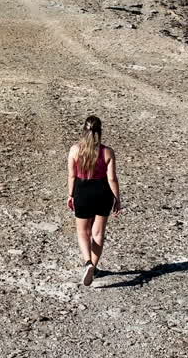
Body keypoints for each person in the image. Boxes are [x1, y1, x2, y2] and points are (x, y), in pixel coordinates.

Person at [66, 115, 122, 286]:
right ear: (100, 131)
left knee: (83, 232)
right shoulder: (107, 152)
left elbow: (72, 175)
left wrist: (70, 195)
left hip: (82, 191)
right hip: (103, 192)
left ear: (84, 130)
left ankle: (88, 262)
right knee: (98, 233)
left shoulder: (75, 150)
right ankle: (94, 267)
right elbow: (112, 178)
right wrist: (117, 198)